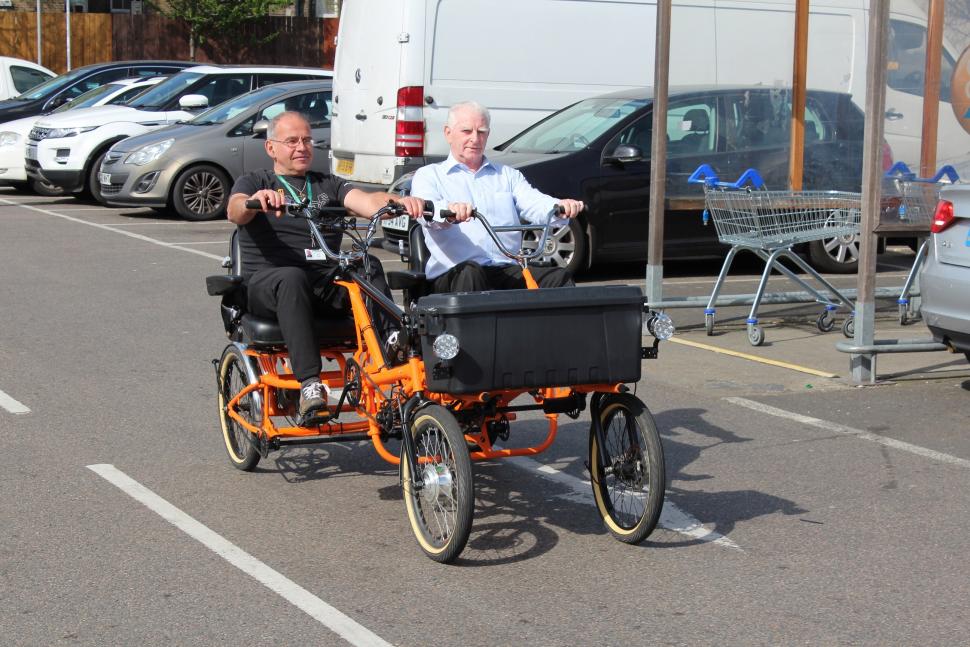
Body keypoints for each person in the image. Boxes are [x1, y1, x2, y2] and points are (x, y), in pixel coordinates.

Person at [227, 111, 425, 420]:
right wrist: (255, 199)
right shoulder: (255, 180)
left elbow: (367, 201)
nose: (302, 147)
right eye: (292, 141)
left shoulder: (327, 184)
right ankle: (309, 384)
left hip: (322, 284)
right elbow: (235, 210)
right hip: (269, 285)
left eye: (307, 140)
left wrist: (398, 203)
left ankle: (392, 346)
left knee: (366, 263)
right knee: (291, 278)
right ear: (271, 148)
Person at [410, 100, 585, 293]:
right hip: (453, 274)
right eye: (467, 131)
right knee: (471, 272)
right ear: (448, 133)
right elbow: (426, 209)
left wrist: (560, 207)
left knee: (558, 278)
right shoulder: (429, 175)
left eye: (481, 132)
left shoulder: (508, 175)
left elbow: (534, 202)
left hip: (504, 269)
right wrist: (449, 212)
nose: (475, 139)